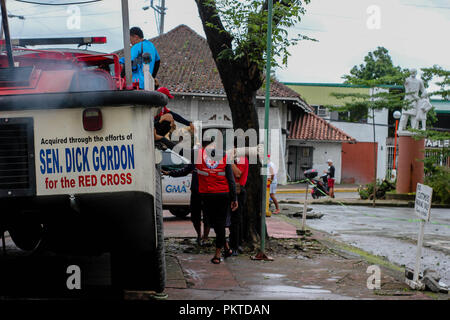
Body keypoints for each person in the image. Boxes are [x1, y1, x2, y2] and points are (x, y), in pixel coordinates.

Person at [196, 139, 238, 264]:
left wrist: (162, 139)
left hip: (213, 195)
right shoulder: (224, 156)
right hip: (218, 195)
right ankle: (226, 247)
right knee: (216, 224)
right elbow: (231, 180)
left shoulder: (199, 154)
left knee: (217, 224)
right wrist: (234, 198)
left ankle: (218, 254)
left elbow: (180, 151)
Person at [163, 145, 210, 246]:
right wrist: (169, 173)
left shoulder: (211, 162)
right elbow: (183, 171)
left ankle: (205, 238)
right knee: (195, 217)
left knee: (207, 217)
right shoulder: (194, 163)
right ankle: (199, 236)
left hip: (207, 193)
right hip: (196, 193)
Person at [229, 151, 249, 256]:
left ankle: (235, 246)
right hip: (232, 190)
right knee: (234, 219)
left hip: (238, 190)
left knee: (236, 219)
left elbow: (238, 173)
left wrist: (229, 161)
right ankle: (235, 242)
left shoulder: (241, 158)